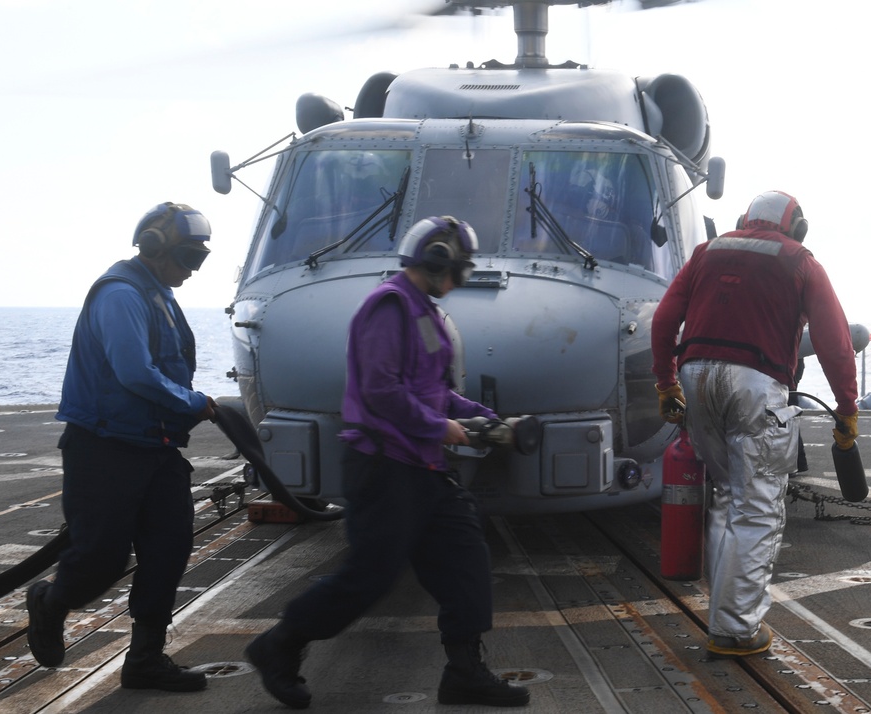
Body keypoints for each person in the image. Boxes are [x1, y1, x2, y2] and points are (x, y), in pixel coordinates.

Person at [245, 216, 530, 709]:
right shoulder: (389, 307)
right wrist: (440, 428)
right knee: (369, 577)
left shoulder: (424, 312)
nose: (461, 277)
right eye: (459, 267)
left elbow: (435, 392)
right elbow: (381, 391)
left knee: (467, 561)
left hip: (423, 469)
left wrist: (488, 419)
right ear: (437, 259)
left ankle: (464, 671)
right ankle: (279, 644)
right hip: (384, 468)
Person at [650, 190, 858, 657]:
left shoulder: (707, 252)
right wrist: (846, 408)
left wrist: (666, 384)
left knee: (726, 497)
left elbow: (664, 320)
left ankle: (726, 617)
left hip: (695, 376)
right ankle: (736, 629)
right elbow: (834, 342)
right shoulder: (800, 261)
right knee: (758, 505)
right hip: (756, 385)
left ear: (744, 219)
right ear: (796, 226)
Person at [26, 202, 218, 691]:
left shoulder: (161, 294)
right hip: (105, 449)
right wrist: (193, 401)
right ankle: (50, 602)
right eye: (188, 260)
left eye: (200, 262)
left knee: (169, 550)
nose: (191, 272)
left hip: (156, 449)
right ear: (155, 247)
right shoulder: (121, 295)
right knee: (100, 560)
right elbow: (134, 373)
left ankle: (146, 660)